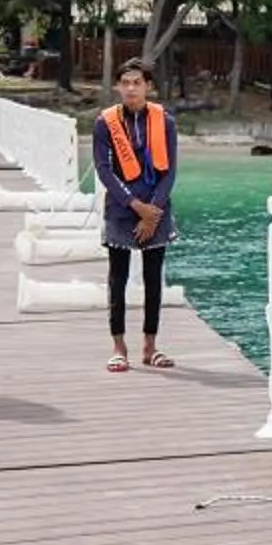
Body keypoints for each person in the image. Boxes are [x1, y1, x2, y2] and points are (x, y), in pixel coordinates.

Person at [94, 58, 179, 372]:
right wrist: (135, 206)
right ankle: (118, 347)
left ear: (148, 86)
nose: (131, 88)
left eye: (137, 82)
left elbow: (170, 173)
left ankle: (150, 346)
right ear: (118, 86)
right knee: (117, 279)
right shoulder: (105, 123)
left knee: (154, 279)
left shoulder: (165, 121)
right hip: (121, 209)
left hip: (156, 209)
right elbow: (104, 171)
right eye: (125, 82)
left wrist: (152, 212)